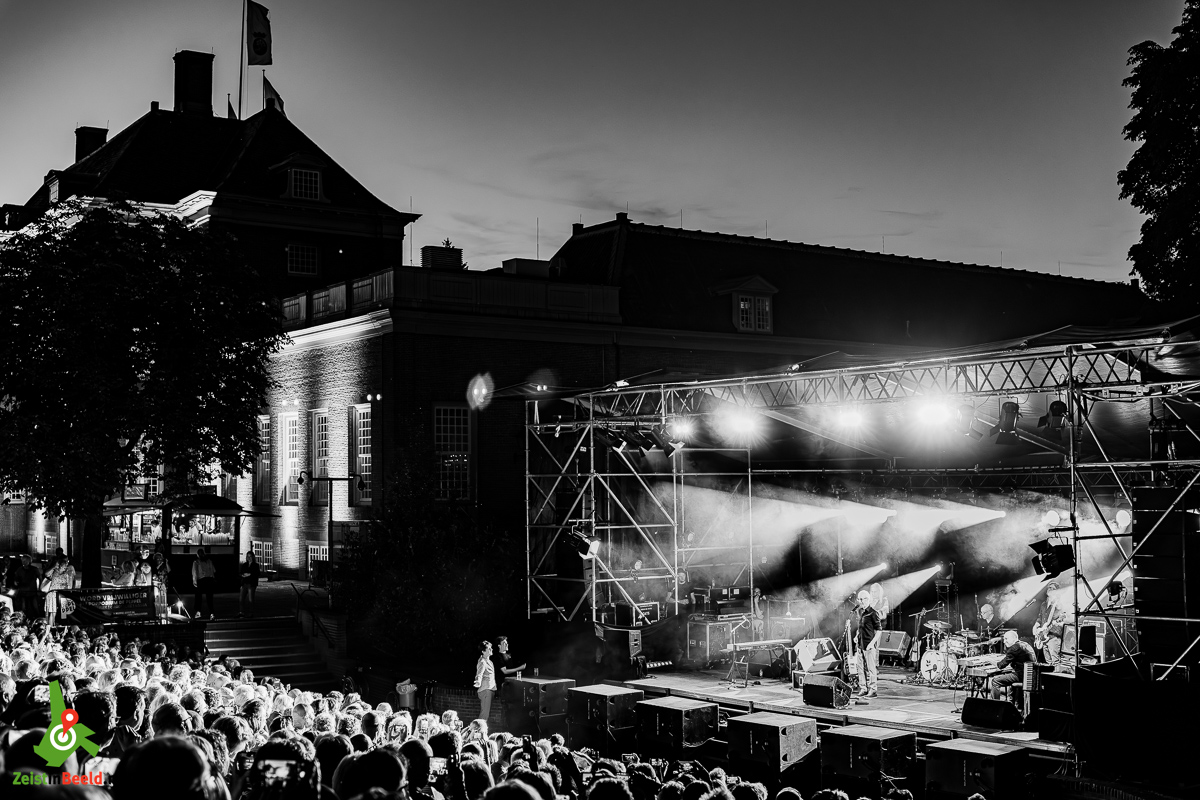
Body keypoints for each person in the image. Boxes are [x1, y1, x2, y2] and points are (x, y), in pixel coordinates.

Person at [990, 629, 1037, 705]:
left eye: (1006, 639)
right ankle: (1012, 703)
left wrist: (991, 661)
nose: (1004, 642)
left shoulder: (1014, 648)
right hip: (1031, 675)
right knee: (1010, 676)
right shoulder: (1024, 644)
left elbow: (1001, 665)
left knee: (995, 681)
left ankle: (996, 706)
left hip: (1023, 675)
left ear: (1013, 638)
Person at [851, 589, 881, 698]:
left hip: (868, 645)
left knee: (871, 668)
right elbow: (861, 629)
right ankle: (863, 688)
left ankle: (873, 690)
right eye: (859, 599)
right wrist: (856, 636)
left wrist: (872, 643)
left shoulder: (873, 613)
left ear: (868, 599)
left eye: (863, 599)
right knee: (860, 668)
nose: (861, 601)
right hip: (860, 644)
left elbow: (879, 631)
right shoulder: (861, 613)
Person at [1035, 583, 1066, 664]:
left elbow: (1065, 620)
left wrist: (1058, 623)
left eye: (1053, 588)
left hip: (1054, 636)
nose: (1050, 590)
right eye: (1049, 588)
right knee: (1048, 662)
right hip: (1043, 636)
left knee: (1055, 661)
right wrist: (1036, 626)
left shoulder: (1060, 605)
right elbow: (1040, 617)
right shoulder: (1043, 604)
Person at [41, 553, 75, 625]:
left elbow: (69, 585)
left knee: (64, 614)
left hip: (62, 594)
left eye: (66, 565)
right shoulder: (54, 571)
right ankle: (51, 628)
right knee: (52, 613)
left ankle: (63, 627)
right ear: (59, 565)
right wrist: (54, 566)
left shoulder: (67, 574)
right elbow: (46, 574)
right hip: (53, 594)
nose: (65, 567)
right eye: (64, 565)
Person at [12, 553, 42, 618]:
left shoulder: (34, 569)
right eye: (23, 561)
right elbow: (16, 579)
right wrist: (16, 582)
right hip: (23, 592)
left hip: (32, 591)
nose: (24, 562)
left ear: (29, 561)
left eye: (25, 561)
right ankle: (24, 620)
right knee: (23, 608)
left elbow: (40, 578)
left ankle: (38, 620)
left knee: (35, 607)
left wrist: (39, 588)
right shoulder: (19, 570)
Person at [474, 640, 497, 723]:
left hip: (490, 689)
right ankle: (478, 733)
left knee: (486, 714)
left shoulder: (490, 662)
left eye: (491, 648)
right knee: (484, 715)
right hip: (485, 690)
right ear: (483, 651)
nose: (491, 650)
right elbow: (479, 673)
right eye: (489, 649)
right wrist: (478, 681)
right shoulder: (482, 662)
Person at [191, 547, 217, 619]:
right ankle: (212, 613)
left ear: (197, 555)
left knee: (198, 597)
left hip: (201, 580)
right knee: (209, 598)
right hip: (210, 580)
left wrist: (195, 582)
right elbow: (213, 571)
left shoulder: (196, 562)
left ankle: (198, 612)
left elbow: (194, 573)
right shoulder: (209, 561)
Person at [239, 550, 260, 618]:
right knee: (241, 599)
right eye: (248, 556)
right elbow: (241, 572)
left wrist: (249, 574)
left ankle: (251, 612)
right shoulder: (244, 565)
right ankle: (241, 612)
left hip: (251, 584)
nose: (249, 558)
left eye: (250, 556)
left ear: (253, 557)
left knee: (251, 599)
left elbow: (257, 574)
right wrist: (243, 575)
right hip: (244, 583)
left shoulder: (256, 565)